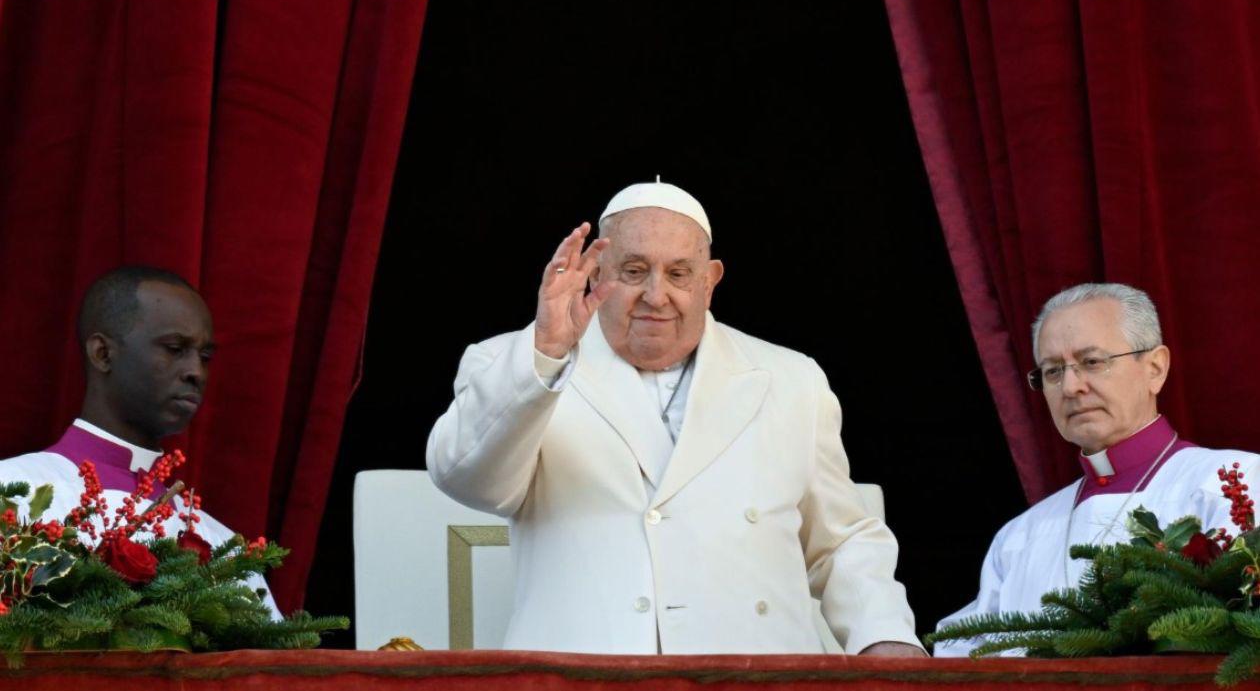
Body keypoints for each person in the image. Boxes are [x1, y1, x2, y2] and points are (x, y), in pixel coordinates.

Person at [426, 180, 922, 655]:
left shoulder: (791, 379)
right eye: (634, 271)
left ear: (710, 281)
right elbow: (468, 481)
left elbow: (841, 540)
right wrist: (547, 352)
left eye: (680, 274)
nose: (656, 296)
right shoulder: (514, 364)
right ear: (596, 274)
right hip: (583, 678)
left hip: (758, 676)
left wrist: (884, 636)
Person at [934, 282, 1260, 655]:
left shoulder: (1234, 481)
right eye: (1053, 371)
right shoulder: (1019, 537)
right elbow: (959, 658)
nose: (1071, 387)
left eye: (1092, 362)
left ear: (1155, 368)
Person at [0, 265, 278, 614]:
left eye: (205, 356)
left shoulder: (223, 546)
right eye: (175, 348)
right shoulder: (11, 492)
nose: (196, 371)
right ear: (103, 353)